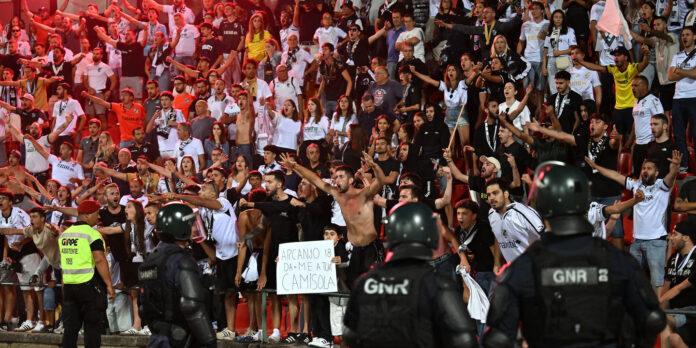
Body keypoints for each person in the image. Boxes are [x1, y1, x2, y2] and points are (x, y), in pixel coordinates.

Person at [483, 162, 666, 348]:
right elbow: (652, 320)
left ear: (543, 203)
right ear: (583, 198)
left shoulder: (520, 269)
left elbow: (497, 339)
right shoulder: (619, 260)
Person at [343, 202, 477, 348]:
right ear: (430, 233)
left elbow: (349, 335)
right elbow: (465, 341)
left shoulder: (365, 282)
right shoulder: (437, 284)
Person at [137, 203, 217, 348]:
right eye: (191, 224)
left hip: (158, 339)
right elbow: (192, 306)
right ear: (179, 227)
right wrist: (209, 340)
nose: (194, 228)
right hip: (182, 339)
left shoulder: (151, 259)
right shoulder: (181, 260)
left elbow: (143, 308)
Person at [59, 199, 116, 348]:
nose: (98, 218)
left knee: (70, 330)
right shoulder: (92, 234)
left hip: (70, 287)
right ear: (87, 215)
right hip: (89, 287)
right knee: (92, 329)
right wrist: (109, 284)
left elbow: (64, 264)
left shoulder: (64, 235)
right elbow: (99, 260)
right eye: (96, 214)